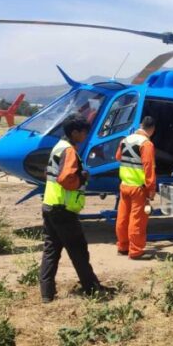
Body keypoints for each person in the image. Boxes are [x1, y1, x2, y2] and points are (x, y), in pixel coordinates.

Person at [40, 113, 104, 302]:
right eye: (84, 132)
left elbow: (48, 173)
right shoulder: (69, 151)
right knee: (78, 251)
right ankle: (92, 289)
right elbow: (66, 178)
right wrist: (82, 177)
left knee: (51, 250)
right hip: (63, 209)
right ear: (75, 132)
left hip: (49, 204)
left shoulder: (58, 147)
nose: (85, 136)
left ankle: (47, 294)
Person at [115, 116, 157, 259]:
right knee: (137, 220)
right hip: (138, 188)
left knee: (122, 217)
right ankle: (136, 251)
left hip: (124, 184)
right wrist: (151, 189)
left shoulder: (125, 140)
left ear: (141, 125)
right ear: (152, 129)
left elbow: (118, 157)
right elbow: (148, 168)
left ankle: (122, 246)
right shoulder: (146, 144)